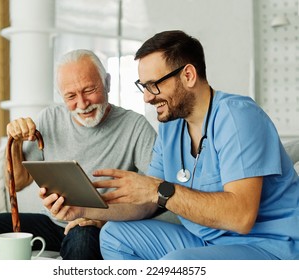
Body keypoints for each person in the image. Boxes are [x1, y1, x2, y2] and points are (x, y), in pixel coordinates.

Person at [44, 30, 299, 260]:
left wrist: (158, 189)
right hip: (206, 239)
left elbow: (241, 217)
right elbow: (147, 202)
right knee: (114, 236)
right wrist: (81, 209)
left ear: (188, 75)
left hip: (267, 246)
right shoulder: (171, 126)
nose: (146, 97)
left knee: (177, 265)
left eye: (154, 85)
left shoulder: (238, 117)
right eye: (143, 87)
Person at [0, 49, 157, 260]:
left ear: (107, 83)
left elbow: (157, 196)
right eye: (71, 96)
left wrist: (103, 218)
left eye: (90, 90)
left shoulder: (135, 126)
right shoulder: (49, 118)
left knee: (82, 236)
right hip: (53, 223)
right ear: (61, 96)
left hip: (98, 225)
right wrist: (16, 142)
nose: (82, 104)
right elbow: (17, 183)